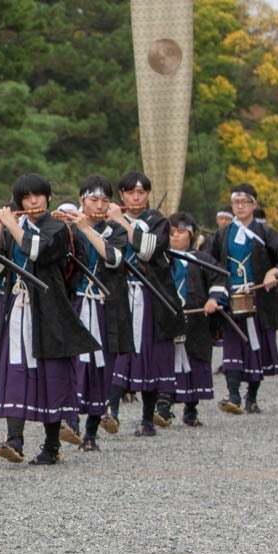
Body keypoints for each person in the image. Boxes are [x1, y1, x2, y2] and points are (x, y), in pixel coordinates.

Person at [0, 173, 98, 465]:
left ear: (48, 198)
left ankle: (51, 445)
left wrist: (12, 226)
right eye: (26, 197)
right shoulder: (15, 228)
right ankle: (14, 439)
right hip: (19, 307)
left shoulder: (57, 228)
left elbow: (36, 251)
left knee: (52, 375)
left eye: (38, 195)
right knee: (16, 369)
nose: (33, 202)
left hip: (50, 310)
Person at [104, 171, 185, 436]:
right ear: (122, 195)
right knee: (118, 351)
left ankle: (147, 419)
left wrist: (123, 223)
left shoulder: (157, 221)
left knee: (151, 354)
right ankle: (111, 412)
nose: (136, 197)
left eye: (141, 192)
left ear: (148, 194)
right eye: (130, 192)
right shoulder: (109, 221)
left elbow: (148, 250)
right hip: (119, 295)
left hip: (151, 297)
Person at [202, 185, 278, 415]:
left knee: (256, 346)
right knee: (232, 344)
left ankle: (251, 396)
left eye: (245, 202)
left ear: (254, 205)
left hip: (259, 297)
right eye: (236, 202)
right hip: (231, 297)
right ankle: (233, 395)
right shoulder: (221, 235)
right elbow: (207, 261)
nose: (240, 206)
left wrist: (274, 271)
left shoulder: (265, 233)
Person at [60, 182, 124, 452]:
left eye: (104, 200)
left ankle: (91, 433)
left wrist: (86, 228)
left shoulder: (116, 230)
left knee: (101, 367)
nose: (99, 205)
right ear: (81, 200)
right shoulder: (68, 229)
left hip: (104, 306)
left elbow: (113, 258)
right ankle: (70, 423)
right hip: (75, 303)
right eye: (93, 199)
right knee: (72, 363)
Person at [164, 213, 221, 425]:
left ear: (191, 235)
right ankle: (163, 407)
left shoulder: (202, 259)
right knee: (165, 361)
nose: (175, 236)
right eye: (171, 232)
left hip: (196, 320)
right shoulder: (161, 259)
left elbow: (219, 279)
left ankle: (191, 409)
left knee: (195, 361)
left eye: (180, 232)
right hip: (168, 318)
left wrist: (213, 299)